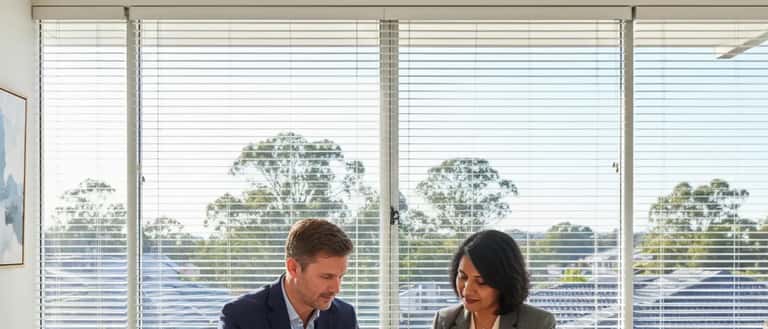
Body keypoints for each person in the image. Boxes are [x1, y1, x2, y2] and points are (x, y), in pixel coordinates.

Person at [219, 218, 359, 329]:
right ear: (293, 268)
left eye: (340, 276)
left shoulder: (345, 316)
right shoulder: (240, 316)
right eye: (326, 277)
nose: (336, 289)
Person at [432, 230, 555, 329]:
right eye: (463, 277)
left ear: (504, 282)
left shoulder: (538, 323)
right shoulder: (444, 321)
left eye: (481, 282)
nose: (467, 290)